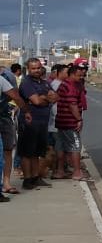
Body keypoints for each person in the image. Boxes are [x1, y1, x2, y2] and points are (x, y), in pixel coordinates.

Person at [17, 57, 58, 190]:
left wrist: (43, 98)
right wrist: (46, 98)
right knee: (27, 152)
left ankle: (36, 177)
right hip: (29, 122)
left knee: (37, 152)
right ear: (28, 69)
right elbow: (36, 101)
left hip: (43, 121)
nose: (36, 70)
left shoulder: (44, 82)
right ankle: (27, 179)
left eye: (38, 68)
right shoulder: (26, 83)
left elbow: (56, 97)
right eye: (33, 68)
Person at [1, 69, 32, 199]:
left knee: (8, 150)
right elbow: (16, 96)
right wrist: (26, 112)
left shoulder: (4, 77)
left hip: (4, 116)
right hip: (5, 117)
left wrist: (25, 111)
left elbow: (15, 96)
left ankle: (6, 183)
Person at [55, 65, 86, 181]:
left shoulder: (64, 85)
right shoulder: (70, 86)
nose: (81, 77)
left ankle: (60, 171)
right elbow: (72, 105)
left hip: (61, 121)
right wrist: (79, 119)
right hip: (70, 121)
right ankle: (77, 172)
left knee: (61, 146)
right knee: (76, 146)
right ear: (71, 74)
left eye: (82, 75)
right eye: (79, 75)